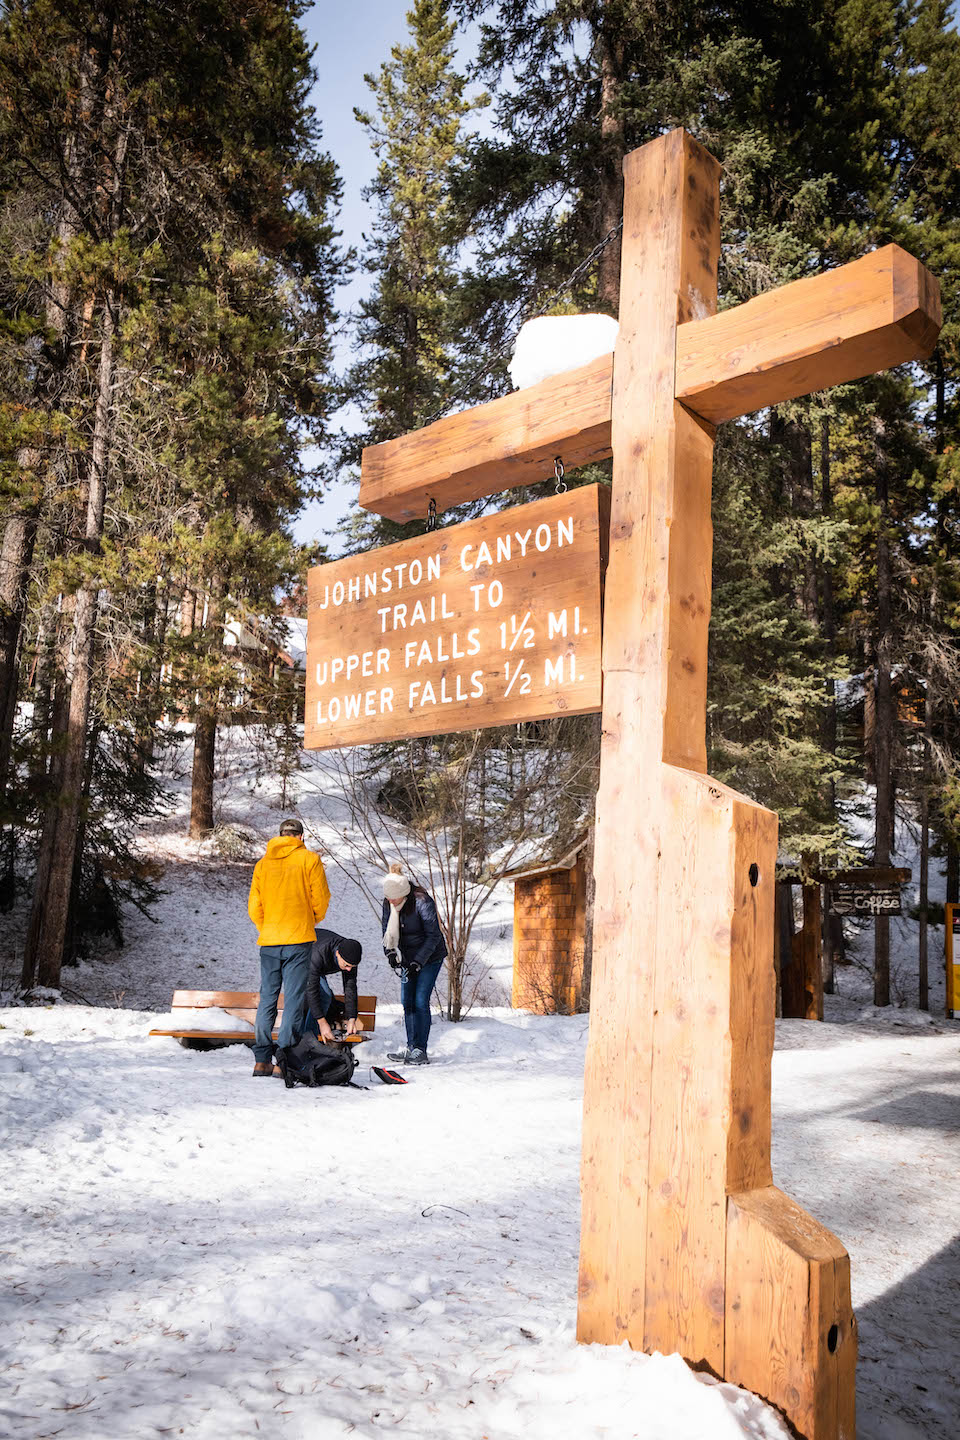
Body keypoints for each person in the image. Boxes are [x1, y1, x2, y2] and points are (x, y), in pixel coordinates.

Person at [247, 818, 330, 1077]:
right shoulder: (309, 860)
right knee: (293, 999)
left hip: (270, 940)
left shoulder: (262, 864)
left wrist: (268, 927)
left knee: (268, 998)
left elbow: (254, 907)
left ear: (280, 835)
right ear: (301, 837)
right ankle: (284, 1059)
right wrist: (310, 920)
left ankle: (261, 1060)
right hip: (298, 939)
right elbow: (321, 899)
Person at [381, 862, 447, 1065]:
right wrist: (390, 953)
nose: (391, 901)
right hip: (408, 957)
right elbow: (386, 931)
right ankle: (411, 1047)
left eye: (394, 897)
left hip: (430, 956)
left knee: (420, 1001)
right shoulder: (389, 903)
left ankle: (420, 1049)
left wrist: (418, 962)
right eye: (388, 898)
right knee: (407, 1002)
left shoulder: (422, 901)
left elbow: (433, 935)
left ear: (404, 893)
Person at [305, 929, 364, 1042]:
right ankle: (308, 1040)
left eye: (352, 966)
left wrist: (352, 1018)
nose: (349, 969)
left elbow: (350, 987)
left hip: (317, 966)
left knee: (326, 997)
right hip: (301, 958)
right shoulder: (319, 952)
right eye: (346, 965)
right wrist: (322, 1022)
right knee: (324, 995)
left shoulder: (349, 956)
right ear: (337, 954)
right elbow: (312, 989)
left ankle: (312, 1037)